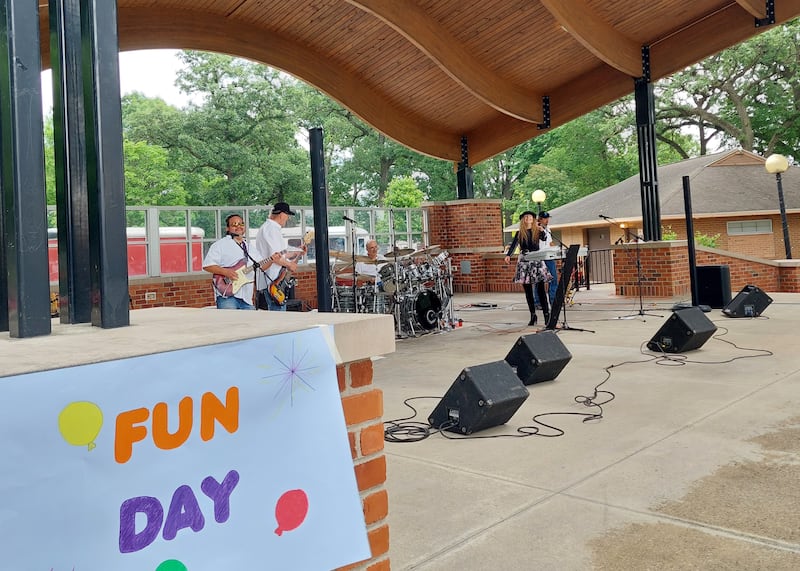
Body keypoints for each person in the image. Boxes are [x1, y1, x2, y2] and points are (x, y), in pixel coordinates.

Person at [203, 214, 273, 310]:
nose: (238, 226)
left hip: (247, 297)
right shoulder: (220, 245)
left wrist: (273, 259)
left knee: (248, 324)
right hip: (227, 296)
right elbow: (208, 265)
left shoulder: (249, 247)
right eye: (234, 224)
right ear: (228, 228)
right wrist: (225, 272)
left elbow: (261, 267)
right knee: (229, 324)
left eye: (241, 224)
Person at [255, 202, 305, 311]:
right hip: (272, 279)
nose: (287, 219)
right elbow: (275, 257)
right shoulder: (271, 229)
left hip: (274, 278)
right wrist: (289, 264)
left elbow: (280, 254)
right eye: (287, 216)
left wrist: (297, 252)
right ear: (282, 215)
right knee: (277, 314)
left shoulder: (269, 228)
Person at [504, 211, 551, 326]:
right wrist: (508, 255)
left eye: (530, 217)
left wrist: (542, 231)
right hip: (524, 261)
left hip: (536, 260)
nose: (528, 218)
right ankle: (533, 315)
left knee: (540, 289)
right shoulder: (520, 233)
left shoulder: (537, 231)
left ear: (533, 219)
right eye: (525, 217)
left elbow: (545, 239)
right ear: (523, 220)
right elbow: (514, 244)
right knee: (528, 291)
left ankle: (546, 315)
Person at [537, 211, 558, 306]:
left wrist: (557, 249)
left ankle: (553, 300)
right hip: (539, 256)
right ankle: (538, 302)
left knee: (553, 278)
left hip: (549, 256)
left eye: (547, 218)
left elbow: (550, 242)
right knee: (539, 280)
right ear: (540, 219)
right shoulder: (535, 229)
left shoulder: (548, 229)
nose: (547, 220)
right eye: (545, 218)